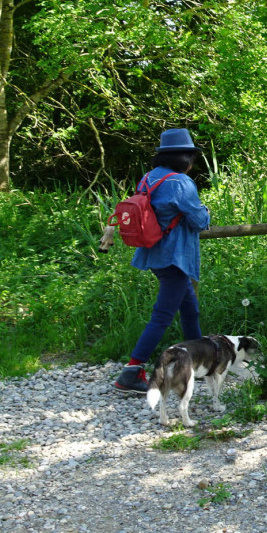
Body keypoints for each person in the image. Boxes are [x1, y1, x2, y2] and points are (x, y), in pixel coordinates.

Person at [113, 129, 211, 394]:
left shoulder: (148, 179)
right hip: (175, 257)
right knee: (162, 316)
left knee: (190, 310)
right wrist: (207, 212)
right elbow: (200, 221)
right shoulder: (180, 182)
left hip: (154, 252)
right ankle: (131, 372)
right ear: (185, 158)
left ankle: (198, 363)